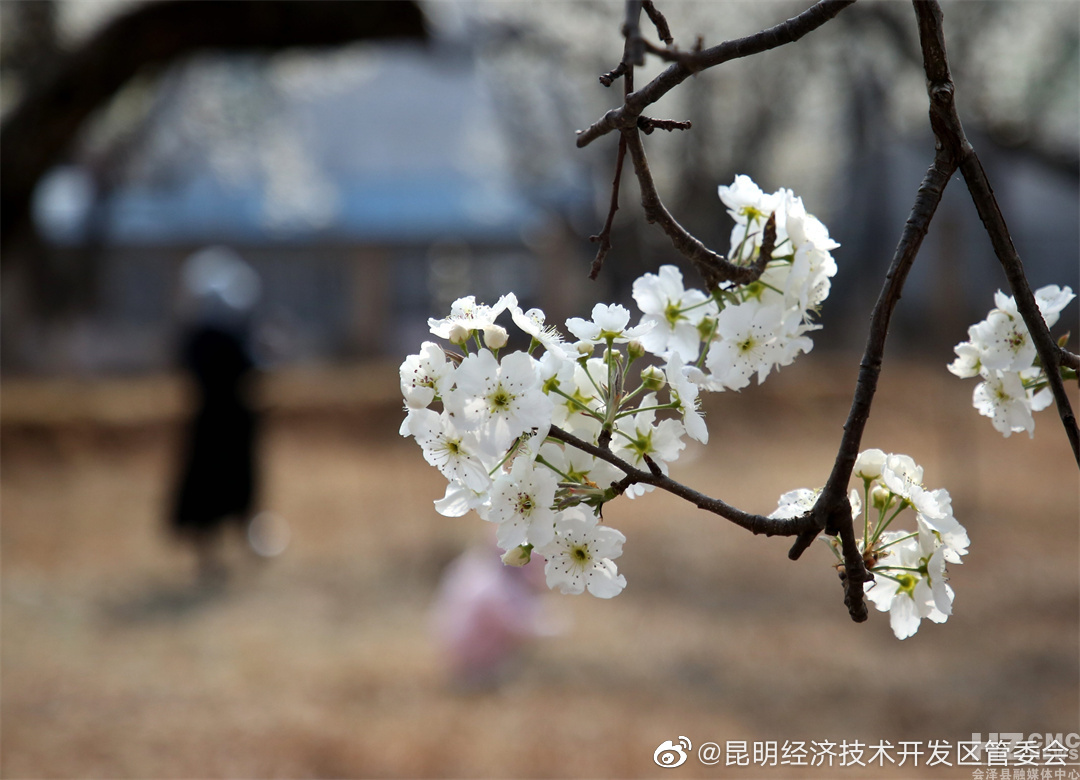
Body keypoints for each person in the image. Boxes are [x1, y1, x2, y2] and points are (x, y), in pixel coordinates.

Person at [170, 246, 262, 582]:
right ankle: (236, 547)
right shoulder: (230, 341)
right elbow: (251, 372)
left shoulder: (195, 340)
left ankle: (214, 553)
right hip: (232, 426)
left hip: (207, 426)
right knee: (232, 491)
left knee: (209, 494)